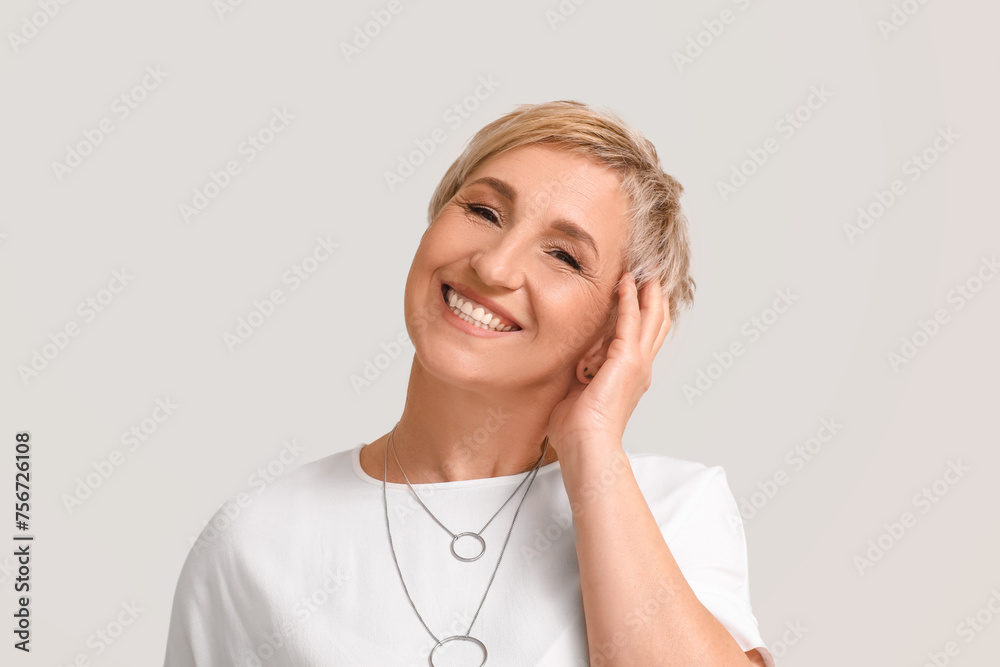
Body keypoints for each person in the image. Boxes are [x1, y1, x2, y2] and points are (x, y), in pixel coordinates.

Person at [164, 100, 773, 666]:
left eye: (564, 256)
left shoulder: (674, 508)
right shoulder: (256, 538)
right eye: (483, 211)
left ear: (613, 334)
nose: (494, 265)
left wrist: (591, 448)